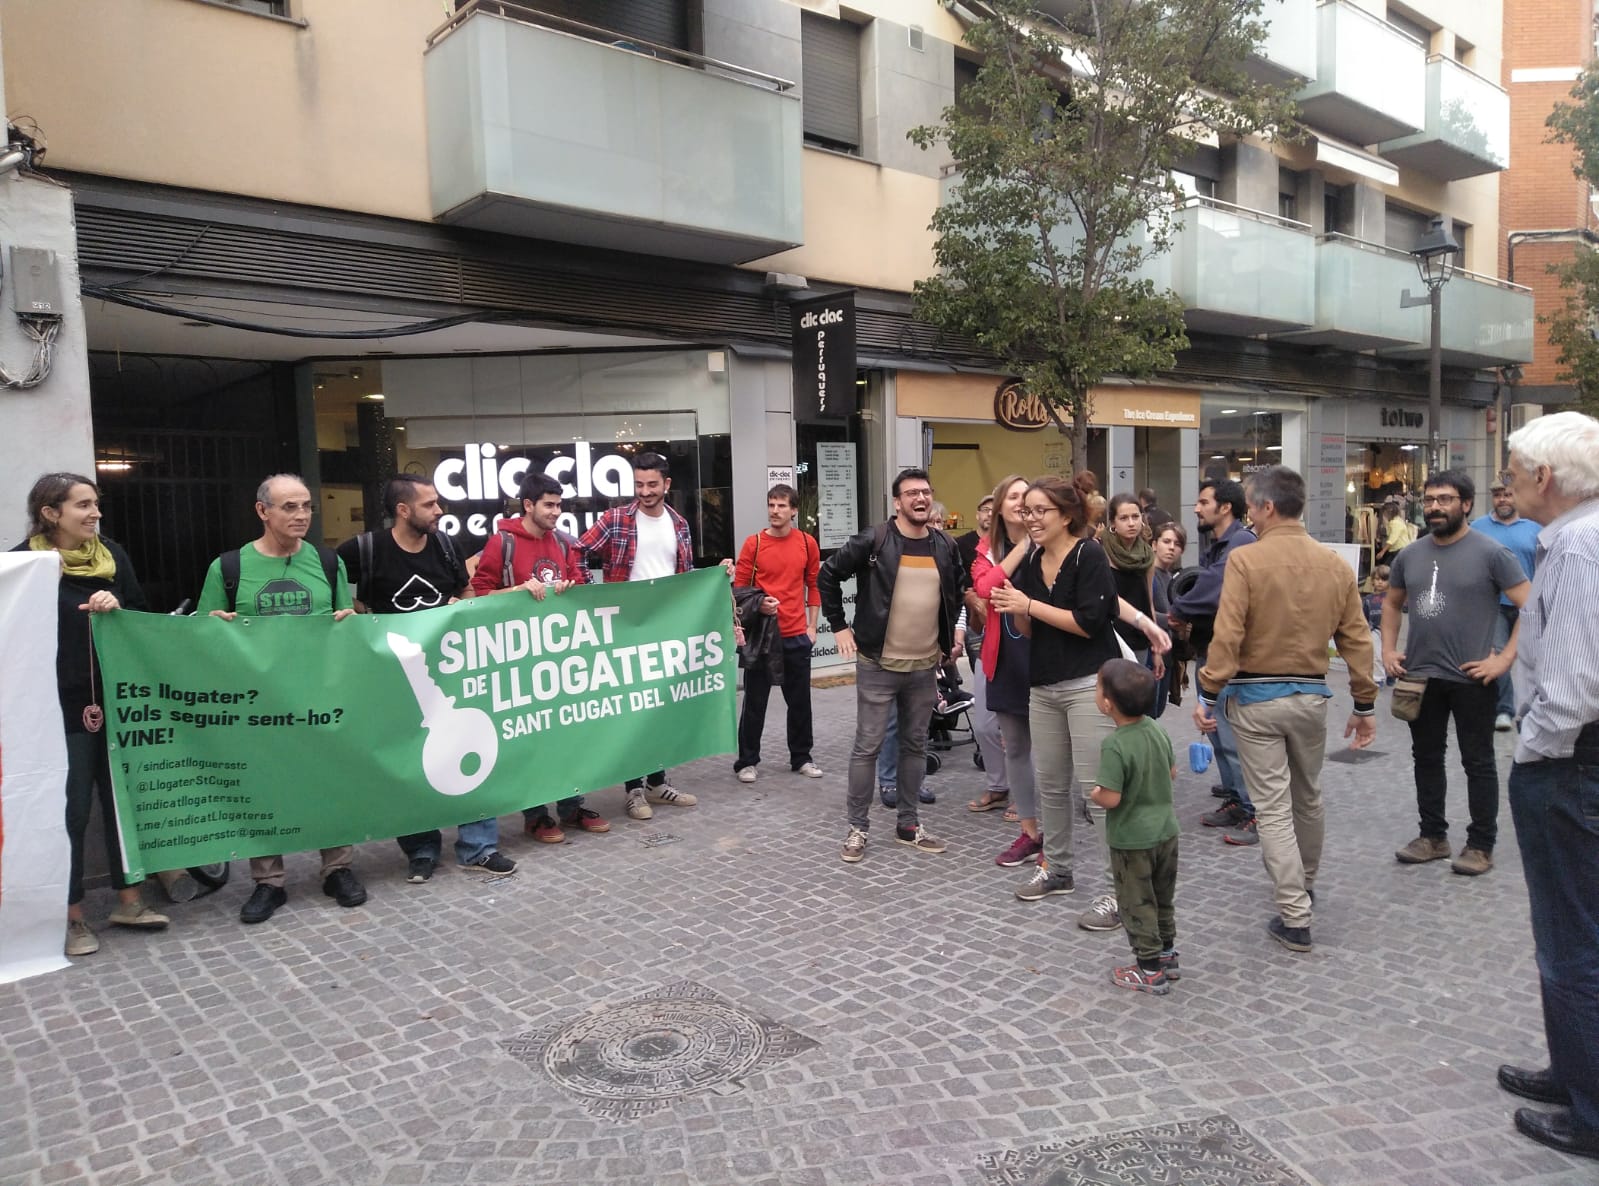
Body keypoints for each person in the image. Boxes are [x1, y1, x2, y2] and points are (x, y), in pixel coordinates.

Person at [1197, 465, 1377, 954]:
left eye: (1252, 505)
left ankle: (1295, 914)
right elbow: (1357, 637)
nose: (1249, 513)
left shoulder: (1247, 561)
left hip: (1257, 697)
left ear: (1268, 507)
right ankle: (1306, 885)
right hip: (1311, 696)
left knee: (1274, 808)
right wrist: (1364, 702)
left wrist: (1207, 692)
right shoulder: (1335, 564)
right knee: (1309, 797)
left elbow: (1228, 633)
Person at [988, 476, 1169, 929]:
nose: (1030, 519)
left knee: (1098, 792)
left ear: (1066, 515)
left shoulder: (1089, 556)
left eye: (1039, 511)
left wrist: (1028, 606)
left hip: (1087, 682)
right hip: (1042, 684)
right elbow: (1032, 629)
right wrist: (1020, 613)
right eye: (1026, 511)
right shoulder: (1031, 559)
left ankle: (1118, 891)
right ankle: (1058, 869)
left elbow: (1090, 622)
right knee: (1050, 784)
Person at [1495, 410, 1599, 1161]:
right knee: (1567, 934)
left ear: (1543, 477)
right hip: (1572, 763)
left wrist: (1532, 753)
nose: (1502, 483)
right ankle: (1571, 1071)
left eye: (1509, 470)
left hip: (1568, 764)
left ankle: (1588, 1107)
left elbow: (1571, 686)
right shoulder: (1573, 539)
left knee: (1572, 942)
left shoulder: (1577, 547)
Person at [196, 474, 367, 924]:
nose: (302, 516)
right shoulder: (229, 568)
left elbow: (345, 629)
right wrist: (214, 624)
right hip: (259, 707)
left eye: (307, 506)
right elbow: (201, 634)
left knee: (329, 782)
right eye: (289, 507)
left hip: (318, 699)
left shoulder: (328, 563)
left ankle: (338, 868)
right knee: (263, 787)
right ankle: (268, 882)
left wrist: (351, 624)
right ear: (262, 511)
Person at [19, 473, 169, 957]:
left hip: (117, 700)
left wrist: (116, 604)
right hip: (59, 707)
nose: (95, 513)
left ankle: (129, 900)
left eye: (96, 504)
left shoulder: (113, 557)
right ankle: (71, 917)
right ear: (50, 513)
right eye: (83, 505)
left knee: (122, 801)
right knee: (72, 810)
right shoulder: (24, 565)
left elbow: (143, 615)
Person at [340, 476, 517, 882]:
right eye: (430, 504)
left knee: (475, 751)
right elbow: (335, 597)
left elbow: (467, 591)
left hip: (453, 672)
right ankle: (421, 849)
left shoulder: (447, 546)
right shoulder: (363, 551)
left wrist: (462, 606)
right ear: (403, 510)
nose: (439, 511)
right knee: (408, 764)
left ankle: (479, 846)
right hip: (393, 679)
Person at [1382, 469, 1529, 877]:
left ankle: (1481, 844)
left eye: (1444, 499)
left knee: (1477, 761)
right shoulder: (1410, 554)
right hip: (1420, 678)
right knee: (1425, 758)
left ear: (1466, 504)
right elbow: (1392, 603)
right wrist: (1389, 648)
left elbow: (1530, 606)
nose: (1435, 507)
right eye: (1429, 500)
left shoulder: (1491, 552)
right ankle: (1433, 837)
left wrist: (1503, 660)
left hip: (1472, 678)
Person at [821, 468, 963, 863]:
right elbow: (828, 575)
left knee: (915, 744)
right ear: (897, 502)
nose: (921, 499)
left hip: (923, 666)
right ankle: (857, 828)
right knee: (868, 746)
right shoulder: (875, 539)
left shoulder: (944, 545)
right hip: (878, 663)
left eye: (926, 492)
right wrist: (838, 628)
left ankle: (909, 824)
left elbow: (956, 591)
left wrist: (950, 635)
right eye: (911, 493)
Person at [471, 471, 613, 841]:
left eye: (559, 504)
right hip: (516, 659)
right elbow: (478, 596)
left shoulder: (565, 544)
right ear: (528, 505)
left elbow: (580, 592)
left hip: (558, 656)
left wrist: (569, 589)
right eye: (549, 505)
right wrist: (517, 591)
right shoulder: (501, 543)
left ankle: (570, 806)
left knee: (565, 734)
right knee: (527, 738)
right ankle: (535, 813)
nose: (556, 511)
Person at [576, 451, 699, 821]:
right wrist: (595, 597)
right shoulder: (616, 519)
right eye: (639, 484)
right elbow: (578, 551)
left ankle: (657, 783)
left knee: (662, 707)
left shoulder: (679, 524)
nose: (644, 491)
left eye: (651, 484)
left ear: (666, 485)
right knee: (634, 708)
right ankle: (632, 790)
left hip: (666, 627)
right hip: (626, 628)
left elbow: (687, 574)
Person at [1169, 479, 1259, 846]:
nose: (1196, 509)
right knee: (1217, 731)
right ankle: (1238, 801)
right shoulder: (1220, 543)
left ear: (1225, 507)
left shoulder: (1240, 543)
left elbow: (1214, 589)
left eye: (1203, 502)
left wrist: (1178, 610)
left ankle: (1255, 812)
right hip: (1213, 650)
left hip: (1234, 657)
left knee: (1235, 735)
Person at [1090, 658, 1179, 995]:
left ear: (1108, 704)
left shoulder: (1115, 744)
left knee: (1136, 900)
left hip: (1132, 839)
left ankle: (1148, 969)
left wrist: (1094, 793)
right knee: (1162, 897)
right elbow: (1171, 774)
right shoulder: (1157, 729)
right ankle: (1168, 955)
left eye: (1098, 688)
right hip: (1167, 832)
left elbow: (1111, 798)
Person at [733, 483, 822, 784]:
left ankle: (802, 757)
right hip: (763, 636)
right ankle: (746, 761)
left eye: (782, 505)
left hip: (796, 634)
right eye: (771, 504)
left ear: (794, 510)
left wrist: (812, 627)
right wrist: (758, 607)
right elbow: (740, 591)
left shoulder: (807, 543)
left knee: (799, 702)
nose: (775, 510)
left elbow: (814, 584)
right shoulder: (754, 543)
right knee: (754, 701)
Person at [969, 476, 1036, 864]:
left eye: (1027, 497)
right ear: (998, 507)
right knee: (1013, 743)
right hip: (1005, 655)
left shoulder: (1048, 542)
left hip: (1046, 654)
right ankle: (1028, 826)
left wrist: (1032, 542)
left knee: (1055, 742)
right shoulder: (988, 549)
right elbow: (986, 586)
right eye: (1013, 496)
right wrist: (1021, 548)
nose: (1021, 502)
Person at [1471, 476, 1540, 731]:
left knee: (1532, 659)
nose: (1503, 499)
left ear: (1516, 496)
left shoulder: (1535, 527)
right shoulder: (1478, 527)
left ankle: (1535, 708)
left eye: (1508, 494)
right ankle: (1504, 709)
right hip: (1494, 604)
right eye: (1498, 494)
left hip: (1530, 605)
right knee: (1499, 655)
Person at [1103, 493, 1165, 713]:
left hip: (1138, 636)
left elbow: (1148, 600)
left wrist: (1156, 648)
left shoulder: (1147, 554)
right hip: (1108, 636)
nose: (1131, 523)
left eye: (1135, 516)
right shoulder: (1100, 551)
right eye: (1123, 518)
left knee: (1132, 701)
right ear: (1113, 523)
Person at [1362, 564, 1391, 691]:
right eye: (1377, 579)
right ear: (1372, 580)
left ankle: (1390, 673)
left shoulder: (1391, 597)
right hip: (1374, 630)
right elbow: (1364, 616)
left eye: (1384, 579)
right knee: (1376, 655)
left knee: (1388, 654)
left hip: (1389, 630)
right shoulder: (1368, 599)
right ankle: (1378, 678)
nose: (1380, 582)